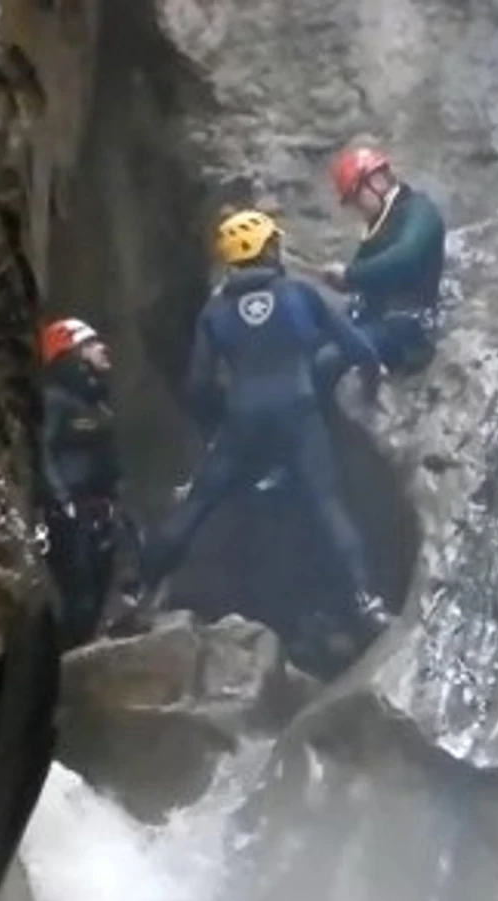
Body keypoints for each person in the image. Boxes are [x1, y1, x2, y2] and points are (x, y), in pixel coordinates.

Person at [137, 208, 394, 633]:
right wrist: (371, 371)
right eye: (272, 243)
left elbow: (198, 384)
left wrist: (216, 426)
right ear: (263, 248)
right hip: (298, 412)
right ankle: (367, 604)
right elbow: (351, 342)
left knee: (197, 504)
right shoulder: (299, 294)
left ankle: (140, 591)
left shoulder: (215, 311)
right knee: (327, 504)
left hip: (243, 421)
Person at [35, 316, 135, 649]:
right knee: (79, 599)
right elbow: (43, 452)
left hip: (101, 514)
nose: (103, 348)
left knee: (99, 594)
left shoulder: (96, 403)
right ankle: (69, 667)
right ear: (71, 355)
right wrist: (62, 502)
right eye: (90, 344)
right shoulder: (55, 401)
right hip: (72, 517)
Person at [318, 145, 448, 382]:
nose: (357, 209)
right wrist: (345, 283)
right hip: (379, 322)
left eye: (356, 198)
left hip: (409, 330)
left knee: (329, 359)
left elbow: (406, 257)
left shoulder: (420, 212)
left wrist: (350, 276)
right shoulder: (379, 225)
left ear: (376, 181)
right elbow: (368, 277)